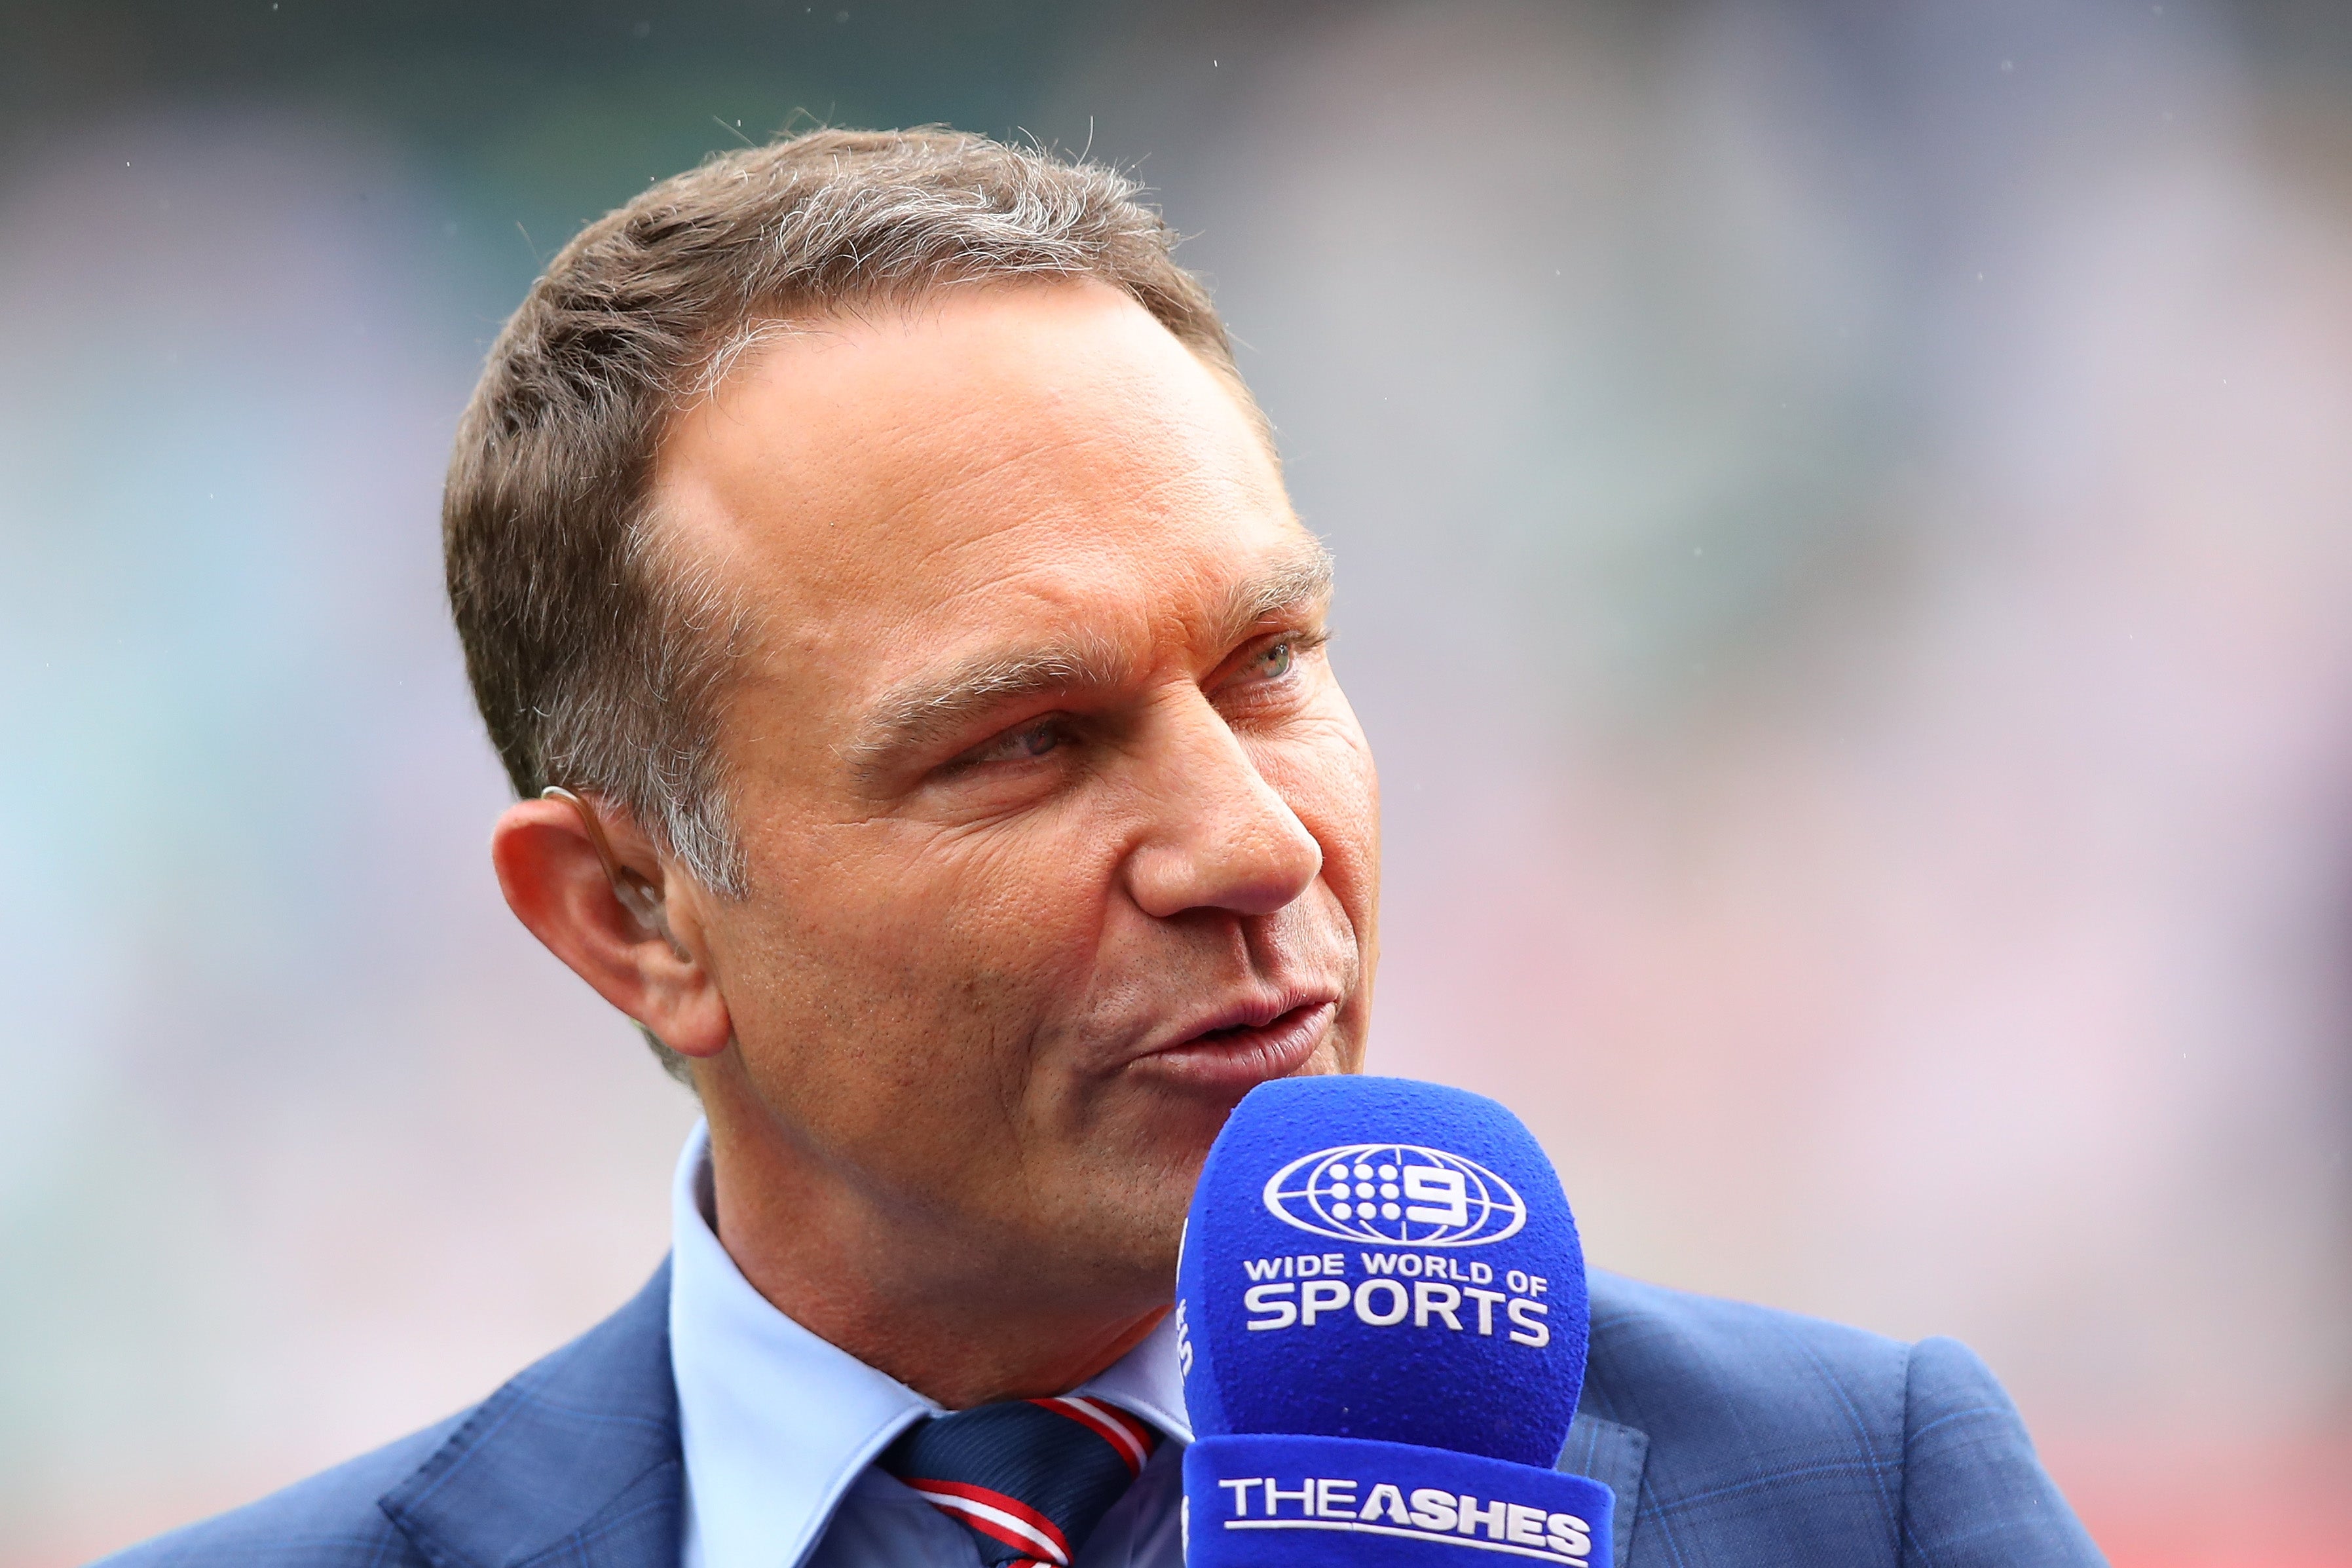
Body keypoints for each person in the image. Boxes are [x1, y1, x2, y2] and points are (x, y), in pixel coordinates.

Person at [102, 128, 2104, 1568]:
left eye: (1269, 663)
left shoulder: (1865, 1501)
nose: (1250, 843)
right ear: (635, 915)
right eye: (1028, 740)